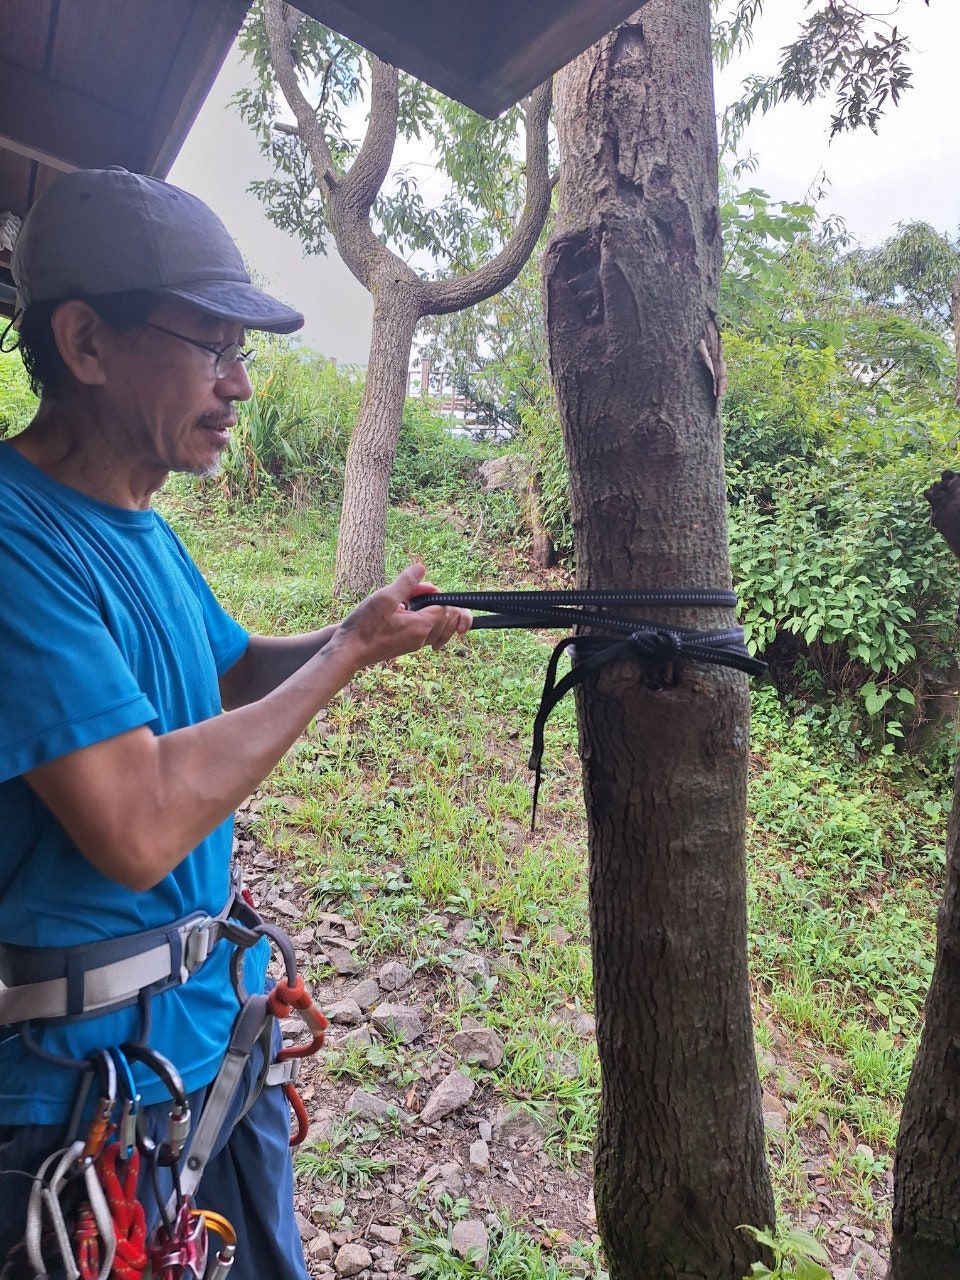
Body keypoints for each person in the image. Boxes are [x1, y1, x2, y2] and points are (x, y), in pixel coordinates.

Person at [0, 166, 471, 1278]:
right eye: (212, 345)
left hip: (205, 1049)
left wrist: (348, 633)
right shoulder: (16, 541)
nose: (241, 384)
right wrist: (346, 659)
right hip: (70, 1103)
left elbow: (228, 671)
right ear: (86, 341)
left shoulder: (139, 525)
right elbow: (140, 820)